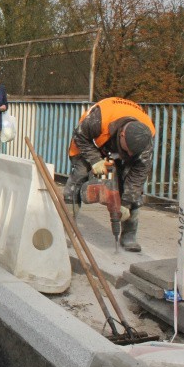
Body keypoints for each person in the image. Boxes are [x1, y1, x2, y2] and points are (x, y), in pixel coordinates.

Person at [63, 97, 156, 252]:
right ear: (122, 135)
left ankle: (129, 235)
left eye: (133, 152)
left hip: (116, 144)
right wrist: (94, 160)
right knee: (78, 178)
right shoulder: (98, 119)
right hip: (89, 143)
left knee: (133, 189)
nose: (130, 153)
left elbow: (138, 176)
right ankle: (66, 231)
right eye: (127, 149)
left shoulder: (145, 140)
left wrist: (125, 203)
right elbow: (80, 137)